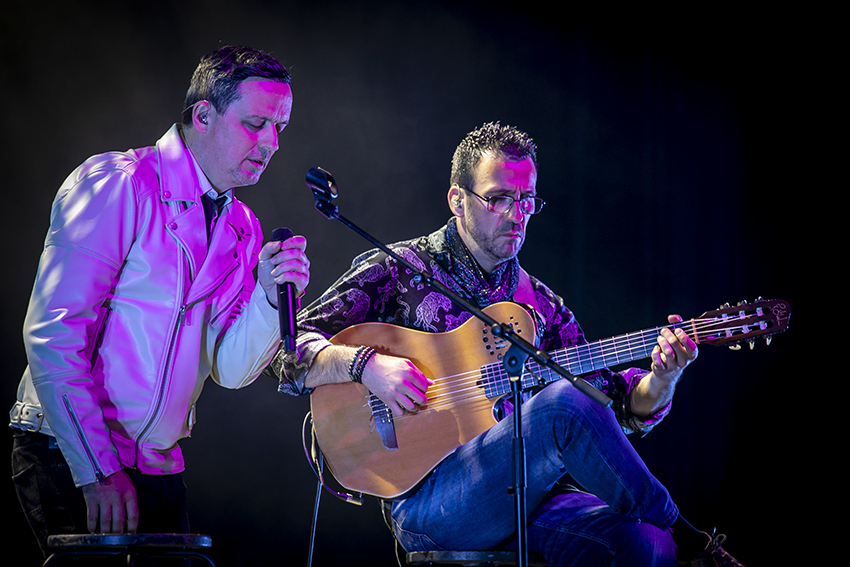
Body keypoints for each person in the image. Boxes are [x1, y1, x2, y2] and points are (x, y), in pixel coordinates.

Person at [268, 122, 745, 566]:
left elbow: (610, 406)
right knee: (562, 404)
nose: (516, 215)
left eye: (526, 200)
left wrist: (663, 378)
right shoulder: (399, 269)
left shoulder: (542, 304)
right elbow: (286, 351)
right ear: (457, 199)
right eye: (498, 199)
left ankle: (672, 536)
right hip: (430, 503)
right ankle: (694, 540)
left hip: (529, 496)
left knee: (647, 544)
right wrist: (366, 365)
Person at [9, 45, 310, 557]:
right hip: (69, 451)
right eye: (256, 123)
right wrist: (96, 469)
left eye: (279, 127)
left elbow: (231, 370)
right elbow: (53, 333)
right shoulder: (119, 184)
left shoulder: (242, 227)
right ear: (203, 115)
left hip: (156, 466)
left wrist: (266, 296)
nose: (271, 142)